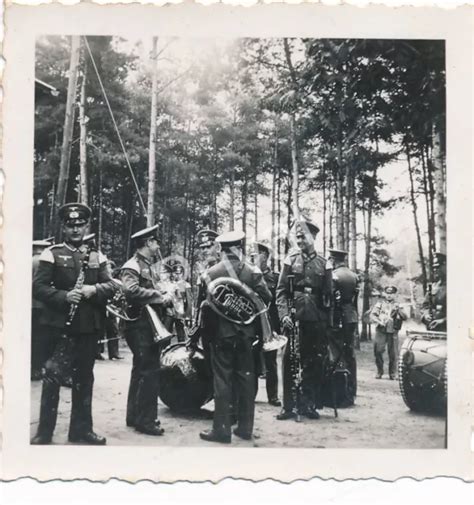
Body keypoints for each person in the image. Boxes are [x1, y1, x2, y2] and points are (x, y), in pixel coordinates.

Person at [31, 203, 117, 445]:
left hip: (87, 328)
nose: (76, 229)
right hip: (58, 327)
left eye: (80, 225)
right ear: (64, 227)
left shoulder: (97, 256)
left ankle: (81, 430)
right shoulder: (52, 254)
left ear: (86, 226)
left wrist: (94, 289)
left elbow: (111, 286)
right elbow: (38, 287)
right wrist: (64, 296)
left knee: (84, 378)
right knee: (52, 378)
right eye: (71, 225)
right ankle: (44, 432)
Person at [195, 230, 272, 443]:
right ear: (239, 249)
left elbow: (204, 306)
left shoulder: (211, 272)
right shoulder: (252, 271)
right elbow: (266, 298)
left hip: (221, 334)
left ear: (222, 249)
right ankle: (245, 429)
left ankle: (221, 430)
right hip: (246, 334)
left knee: (222, 381)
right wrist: (245, 306)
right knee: (246, 380)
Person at [276, 218, 333, 420]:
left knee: (313, 362)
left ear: (314, 237)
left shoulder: (324, 264)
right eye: (297, 236)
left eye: (304, 236)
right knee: (288, 360)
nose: (299, 240)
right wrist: (283, 316)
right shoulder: (289, 260)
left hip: (316, 320)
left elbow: (328, 296)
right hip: (293, 317)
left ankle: (307, 404)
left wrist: (327, 324)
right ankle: (288, 406)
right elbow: (281, 292)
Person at [120, 224, 174, 436]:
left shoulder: (146, 266)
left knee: (140, 370)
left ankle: (134, 415)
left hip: (146, 325)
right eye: (155, 241)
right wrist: (160, 296)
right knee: (149, 371)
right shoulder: (132, 266)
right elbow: (130, 290)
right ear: (148, 243)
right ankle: (146, 421)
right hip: (139, 326)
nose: (157, 245)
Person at [252, 242, 281, 407]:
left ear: (265, 256)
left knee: (271, 361)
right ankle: (252, 394)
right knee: (252, 359)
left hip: (270, 324)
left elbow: (278, 303)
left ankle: (273, 396)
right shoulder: (249, 276)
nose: (253, 258)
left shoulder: (275, 278)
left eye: (256, 255)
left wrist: (276, 327)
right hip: (254, 324)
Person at [328, 248, 359, 398]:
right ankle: (352, 388)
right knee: (350, 352)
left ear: (333, 260)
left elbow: (332, 299)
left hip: (338, 317)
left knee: (337, 351)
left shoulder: (334, 276)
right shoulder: (354, 276)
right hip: (351, 316)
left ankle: (341, 390)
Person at [370, 285, 407, 380]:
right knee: (378, 351)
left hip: (393, 331)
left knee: (393, 353)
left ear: (395, 294)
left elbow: (405, 317)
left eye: (391, 293)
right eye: (388, 293)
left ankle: (393, 373)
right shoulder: (380, 304)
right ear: (385, 294)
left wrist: (398, 309)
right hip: (381, 330)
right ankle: (379, 371)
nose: (389, 295)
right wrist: (379, 321)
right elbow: (373, 315)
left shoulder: (399, 305)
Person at [31, 238, 54, 380]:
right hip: (42, 305)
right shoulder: (43, 262)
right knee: (41, 339)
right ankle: (37, 369)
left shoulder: (27, 260)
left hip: (29, 305)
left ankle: (33, 368)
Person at [421, 252, 447, 332]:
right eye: (434, 268)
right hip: (432, 327)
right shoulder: (433, 286)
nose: (435, 270)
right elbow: (425, 305)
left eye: (438, 267)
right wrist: (426, 315)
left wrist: (443, 321)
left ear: (445, 266)